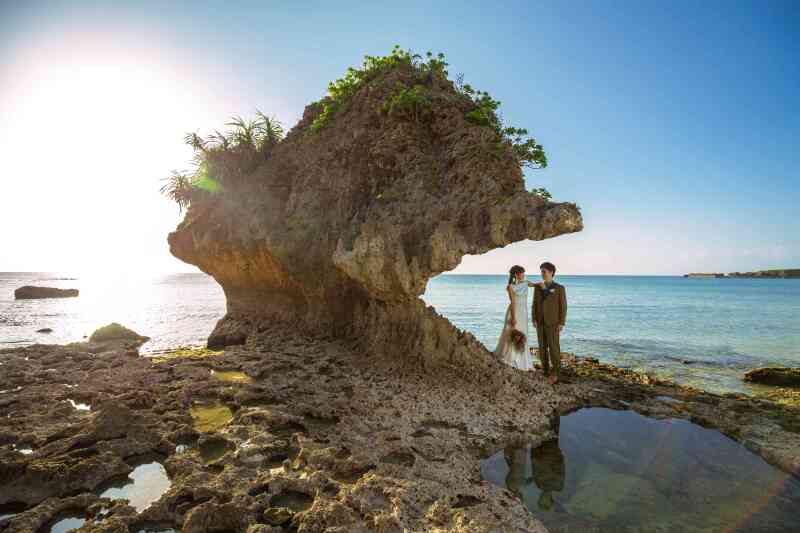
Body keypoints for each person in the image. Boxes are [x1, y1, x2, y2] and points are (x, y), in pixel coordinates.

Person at [494, 265, 543, 370]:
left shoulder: (526, 283)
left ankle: (522, 359)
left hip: (523, 313)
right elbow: (513, 302)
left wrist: (541, 284)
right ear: (516, 274)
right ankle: (510, 358)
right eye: (521, 273)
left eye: (523, 273)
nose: (523, 275)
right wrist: (513, 317)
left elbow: (535, 285)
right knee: (511, 333)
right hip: (514, 312)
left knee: (522, 334)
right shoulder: (510, 287)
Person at [532, 261, 567, 384]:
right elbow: (534, 305)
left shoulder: (559, 288)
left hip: (553, 323)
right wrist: (534, 319)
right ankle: (545, 371)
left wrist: (561, 322)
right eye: (541, 272)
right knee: (542, 348)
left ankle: (557, 373)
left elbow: (563, 307)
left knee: (554, 348)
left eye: (544, 271)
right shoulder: (538, 287)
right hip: (540, 322)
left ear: (551, 272)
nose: (542, 274)